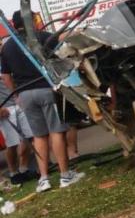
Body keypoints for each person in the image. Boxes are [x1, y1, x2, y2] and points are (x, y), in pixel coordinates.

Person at [0, 11, 84, 192]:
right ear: (31, 21)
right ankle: (65, 175)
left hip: (25, 95)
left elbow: (5, 75)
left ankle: (44, 179)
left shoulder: (7, 47)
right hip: (46, 90)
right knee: (56, 132)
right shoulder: (40, 37)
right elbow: (61, 43)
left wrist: (16, 94)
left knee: (39, 136)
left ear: (14, 25)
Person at [0, 38, 37, 185]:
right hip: (5, 108)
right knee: (12, 143)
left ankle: (24, 168)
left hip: (18, 103)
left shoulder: (6, 59)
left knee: (29, 137)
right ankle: (13, 172)